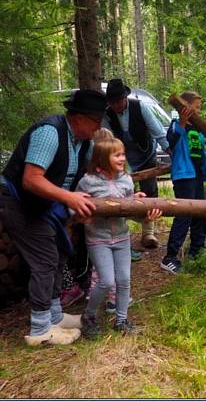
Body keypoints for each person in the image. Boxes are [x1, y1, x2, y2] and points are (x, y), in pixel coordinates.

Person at [0, 88, 107, 346]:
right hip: (19, 204)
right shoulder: (50, 132)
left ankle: (55, 316)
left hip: (44, 207)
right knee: (45, 261)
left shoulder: (83, 144)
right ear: (78, 117)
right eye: (95, 121)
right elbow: (31, 180)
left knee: (59, 254)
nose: (97, 127)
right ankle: (40, 330)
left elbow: (96, 178)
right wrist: (69, 199)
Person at [76, 133, 162, 337]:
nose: (123, 159)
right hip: (98, 239)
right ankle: (88, 316)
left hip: (122, 238)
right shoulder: (87, 182)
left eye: (123, 154)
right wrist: (82, 218)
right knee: (106, 280)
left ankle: (121, 320)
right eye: (117, 155)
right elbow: (75, 207)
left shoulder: (126, 181)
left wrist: (145, 215)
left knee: (124, 279)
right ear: (102, 158)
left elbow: (129, 211)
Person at [160, 91, 206, 274]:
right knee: (185, 214)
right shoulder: (176, 126)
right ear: (185, 106)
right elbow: (171, 142)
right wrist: (182, 123)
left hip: (197, 176)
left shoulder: (198, 131)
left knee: (200, 213)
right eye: (196, 107)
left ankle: (197, 250)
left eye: (200, 108)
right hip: (184, 177)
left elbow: (197, 153)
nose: (199, 111)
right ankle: (170, 257)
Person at [102, 78, 170, 256]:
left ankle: (148, 233)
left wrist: (173, 153)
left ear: (125, 97)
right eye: (112, 102)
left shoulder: (141, 107)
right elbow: (107, 141)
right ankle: (121, 235)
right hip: (123, 160)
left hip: (145, 155)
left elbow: (159, 133)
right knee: (120, 194)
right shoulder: (106, 115)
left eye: (118, 101)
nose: (116, 105)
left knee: (149, 192)